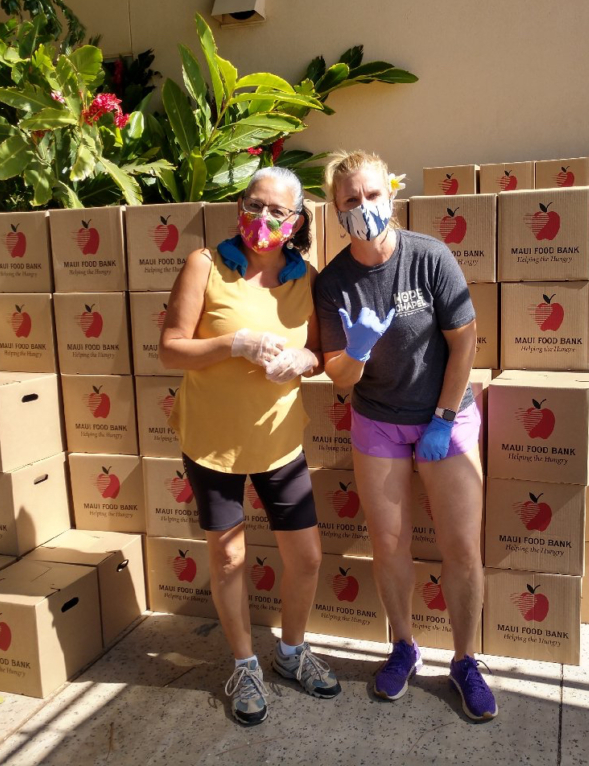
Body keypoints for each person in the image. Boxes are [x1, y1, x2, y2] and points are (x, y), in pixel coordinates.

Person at [314, 150, 496, 721]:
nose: (363, 207)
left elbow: (464, 342)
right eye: (350, 200)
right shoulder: (335, 281)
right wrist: (359, 351)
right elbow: (338, 376)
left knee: (461, 548)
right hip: (377, 419)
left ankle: (466, 661)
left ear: (389, 194)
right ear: (335, 210)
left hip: (445, 414)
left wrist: (442, 419)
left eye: (371, 195)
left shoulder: (429, 256)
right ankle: (403, 646)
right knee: (388, 544)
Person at [159, 166, 341, 726]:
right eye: (252, 205)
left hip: (279, 441)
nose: (261, 219)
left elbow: (318, 352)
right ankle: (244, 663)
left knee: (306, 558)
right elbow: (169, 349)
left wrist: (304, 361)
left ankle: (290, 653)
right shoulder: (205, 265)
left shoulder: (303, 278)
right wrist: (232, 343)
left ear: (296, 222)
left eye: (275, 211)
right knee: (230, 556)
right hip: (214, 441)